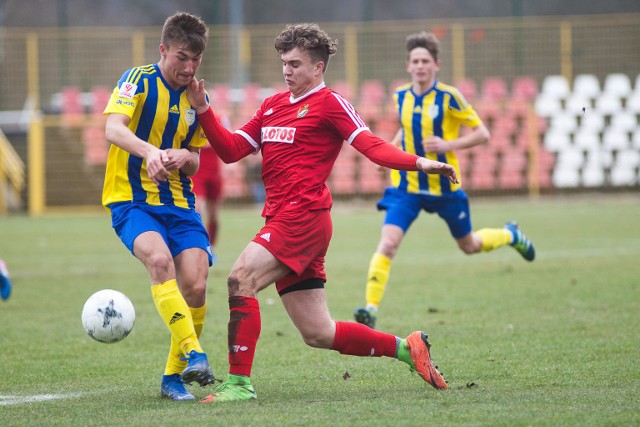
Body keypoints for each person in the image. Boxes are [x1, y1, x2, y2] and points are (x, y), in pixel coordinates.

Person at [187, 23, 458, 403]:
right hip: (282, 218)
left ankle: (238, 385)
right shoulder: (271, 106)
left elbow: (373, 147)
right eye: (284, 63)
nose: (287, 71)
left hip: (304, 218)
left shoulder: (331, 103)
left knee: (240, 279)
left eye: (295, 64)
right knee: (318, 333)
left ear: (318, 67)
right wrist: (203, 109)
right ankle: (407, 348)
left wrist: (421, 163)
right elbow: (231, 150)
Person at [354, 31, 536, 330]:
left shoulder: (449, 98)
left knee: (469, 245)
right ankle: (370, 308)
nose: (420, 66)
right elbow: (405, 129)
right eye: (415, 61)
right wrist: (389, 154)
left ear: (435, 64)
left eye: (426, 60)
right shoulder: (401, 96)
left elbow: (482, 133)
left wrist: (447, 146)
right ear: (408, 65)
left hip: (445, 187)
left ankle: (509, 235)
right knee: (387, 244)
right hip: (407, 188)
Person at [102, 12, 215, 401]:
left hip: (180, 205)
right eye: (181, 57)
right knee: (160, 262)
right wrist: (149, 151)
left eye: (196, 59)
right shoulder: (137, 80)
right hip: (131, 201)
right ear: (163, 49)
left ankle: (172, 378)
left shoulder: (197, 97)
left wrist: (185, 156)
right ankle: (195, 353)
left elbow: (197, 158)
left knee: (197, 286)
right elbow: (113, 128)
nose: (189, 67)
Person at [191, 141, 223, 260]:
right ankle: (198, 247)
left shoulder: (221, 121)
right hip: (198, 172)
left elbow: (226, 142)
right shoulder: (192, 122)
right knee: (197, 209)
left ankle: (211, 248)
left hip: (214, 173)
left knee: (214, 215)